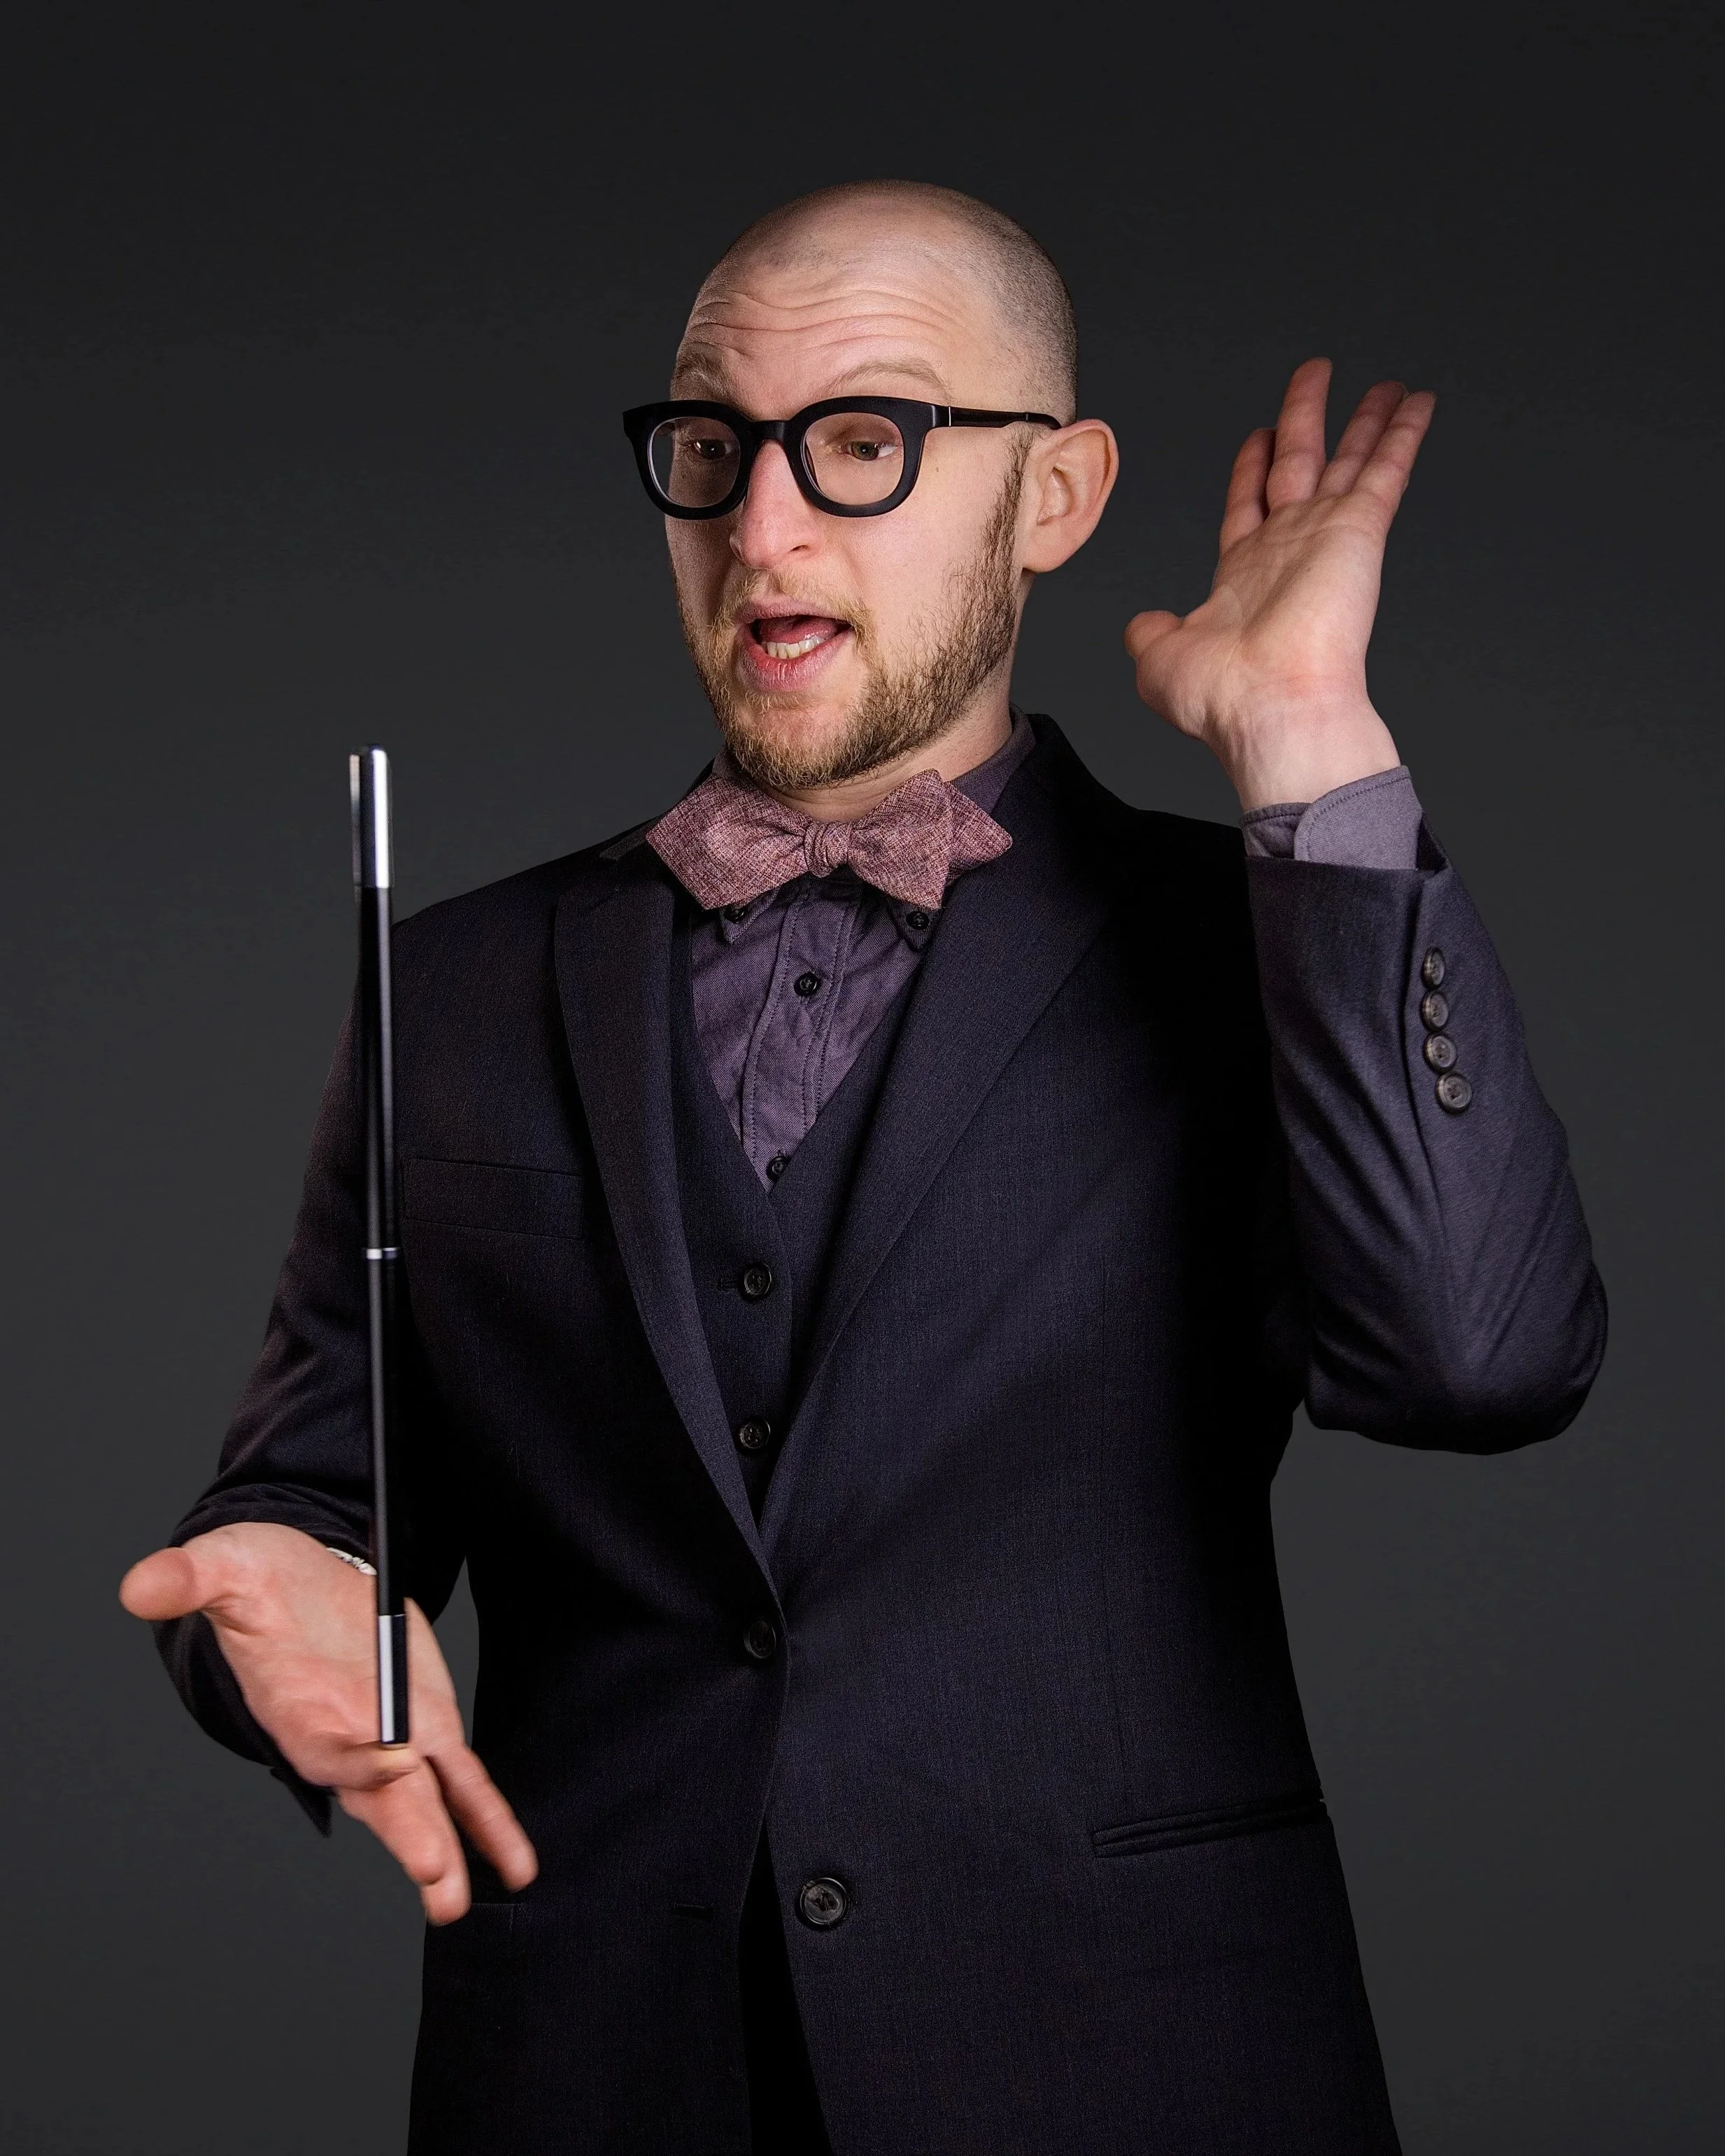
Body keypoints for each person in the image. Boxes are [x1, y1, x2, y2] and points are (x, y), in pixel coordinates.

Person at [122, 180, 1605, 2155]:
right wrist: (279, 1598)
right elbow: (311, 1499)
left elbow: (1484, 1360)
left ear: (1056, 498)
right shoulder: (454, 990)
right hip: (589, 2080)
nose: (763, 525)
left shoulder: (1250, 928)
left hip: (1139, 2073)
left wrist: (1311, 743)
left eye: (864, 440)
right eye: (712, 450)